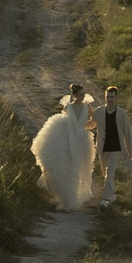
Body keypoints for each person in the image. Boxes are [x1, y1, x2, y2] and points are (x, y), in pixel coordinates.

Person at [31, 81, 93, 211]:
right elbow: (64, 123)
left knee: (82, 166)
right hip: (70, 139)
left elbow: (95, 119)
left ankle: (82, 192)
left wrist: (86, 127)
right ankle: (70, 197)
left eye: (84, 94)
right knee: (71, 167)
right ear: (75, 95)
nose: (83, 96)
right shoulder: (67, 107)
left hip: (83, 139)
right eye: (80, 94)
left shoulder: (87, 106)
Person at [88, 85, 132, 204]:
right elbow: (92, 124)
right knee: (105, 174)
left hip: (116, 149)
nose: (110, 99)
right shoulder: (99, 111)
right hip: (103, 148)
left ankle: (105, 199)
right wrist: (80, 123)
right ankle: (112, 195)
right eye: (108, 97)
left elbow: (128, 134)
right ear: (105, 97)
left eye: (112, 97)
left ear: (116, 98)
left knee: (110, 173)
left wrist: (130, 151)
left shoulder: (122, 114)